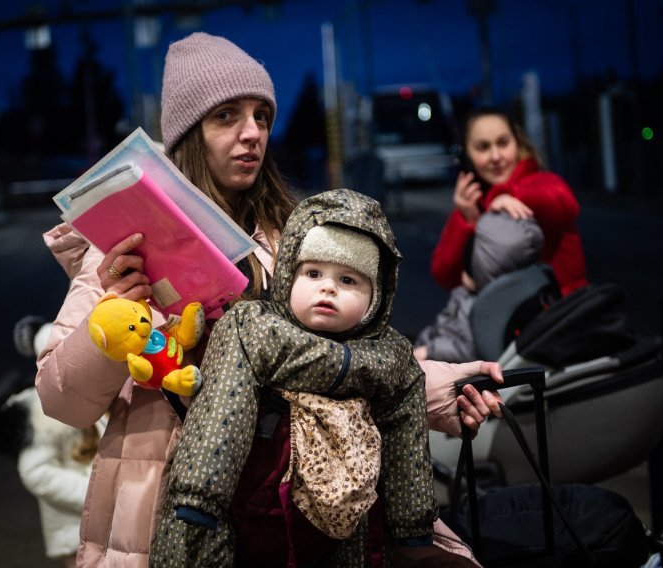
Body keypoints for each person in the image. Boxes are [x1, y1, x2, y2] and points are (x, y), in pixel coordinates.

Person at [36, 32, 502, 567]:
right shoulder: (122, 252)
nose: (251, 133)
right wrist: (109, 324)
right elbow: (61, 403)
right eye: (227, 116)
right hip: (163, 508)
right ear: (190, 134)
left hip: (286, 514)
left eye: (262, 116)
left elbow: (337, 366)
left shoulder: (293, 241)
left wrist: (440, 389)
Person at [151, 188, 449, 565]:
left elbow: (406, 439)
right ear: (289, 274)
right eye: (313, 273)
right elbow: (220, 418)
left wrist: (413, 525)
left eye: (349, 280)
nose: (328, 287)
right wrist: (196, 507)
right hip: (261, 516)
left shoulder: (392, 357)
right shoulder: (252, 329)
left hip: (353, 531)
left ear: (377, 298)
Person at [431, 106, 587, 298]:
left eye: (503, 143)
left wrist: (508, 195)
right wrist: (467, 220)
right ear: (467, 155)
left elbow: (565, 203)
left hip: (560, 316)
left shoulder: (542, 181)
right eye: (483, 147)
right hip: (503, 322)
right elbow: (444, 276)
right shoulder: (473, 202)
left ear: (518, 143)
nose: (496, 157)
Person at [0, 317, 104, 568]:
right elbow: (35, 472)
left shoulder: (89, 388)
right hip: (77, 532)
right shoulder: (36, 410)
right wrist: (97, 494)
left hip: (109, 523)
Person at [415, 210, 545, 362]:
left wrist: (429, 352)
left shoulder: (482, 308)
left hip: (436, 359)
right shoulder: (518, 292)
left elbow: (469, 350)